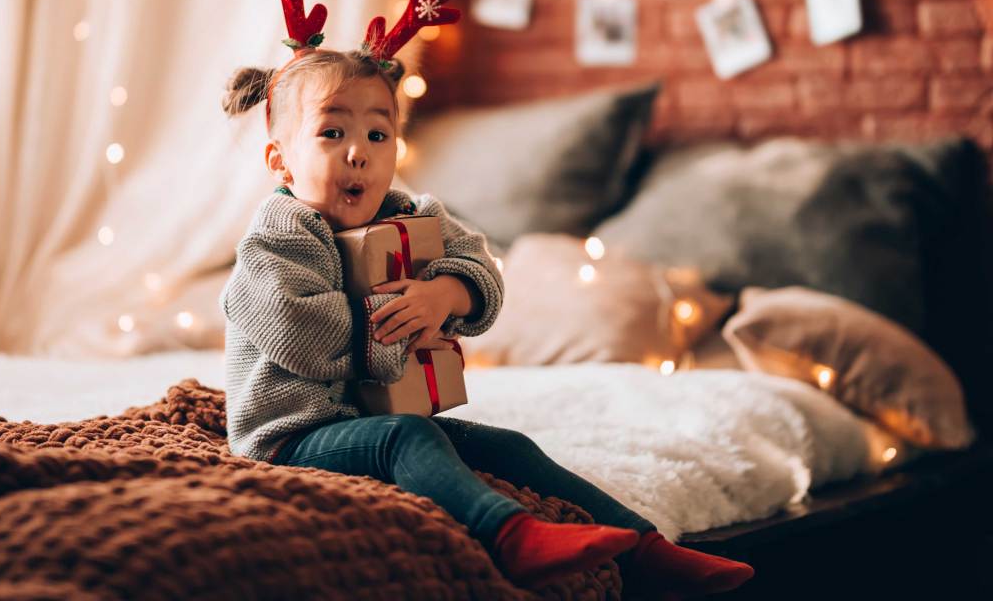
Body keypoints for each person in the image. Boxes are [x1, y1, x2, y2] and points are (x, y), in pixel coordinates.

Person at [218, 46, 755, 597]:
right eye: (332, 134)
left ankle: (649, 549)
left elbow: (480, 263)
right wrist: (398, 320)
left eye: (378, 136)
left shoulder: (408, 214)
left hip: (365, 416)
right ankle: (510, 536)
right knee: (406, 437)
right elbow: (299, 332)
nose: (359, 153)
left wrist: (445, 293)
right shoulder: (274, 241)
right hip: (293, 435)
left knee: (507, 447)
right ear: (280, 161)